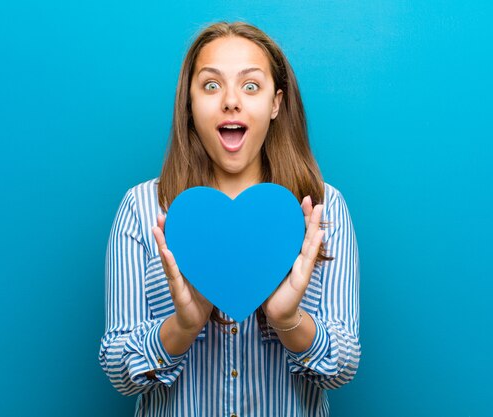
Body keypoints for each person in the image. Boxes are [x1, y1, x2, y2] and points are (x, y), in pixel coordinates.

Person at [98, 21, 361, 417]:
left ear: (276, 103)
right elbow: (120, 373)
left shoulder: (325, 209)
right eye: (211, 85)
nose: (231, 102)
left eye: (251, 86)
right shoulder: (141, 208)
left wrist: (287, 318)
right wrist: (183, 326)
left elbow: (341, 367)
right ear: (188, 104)